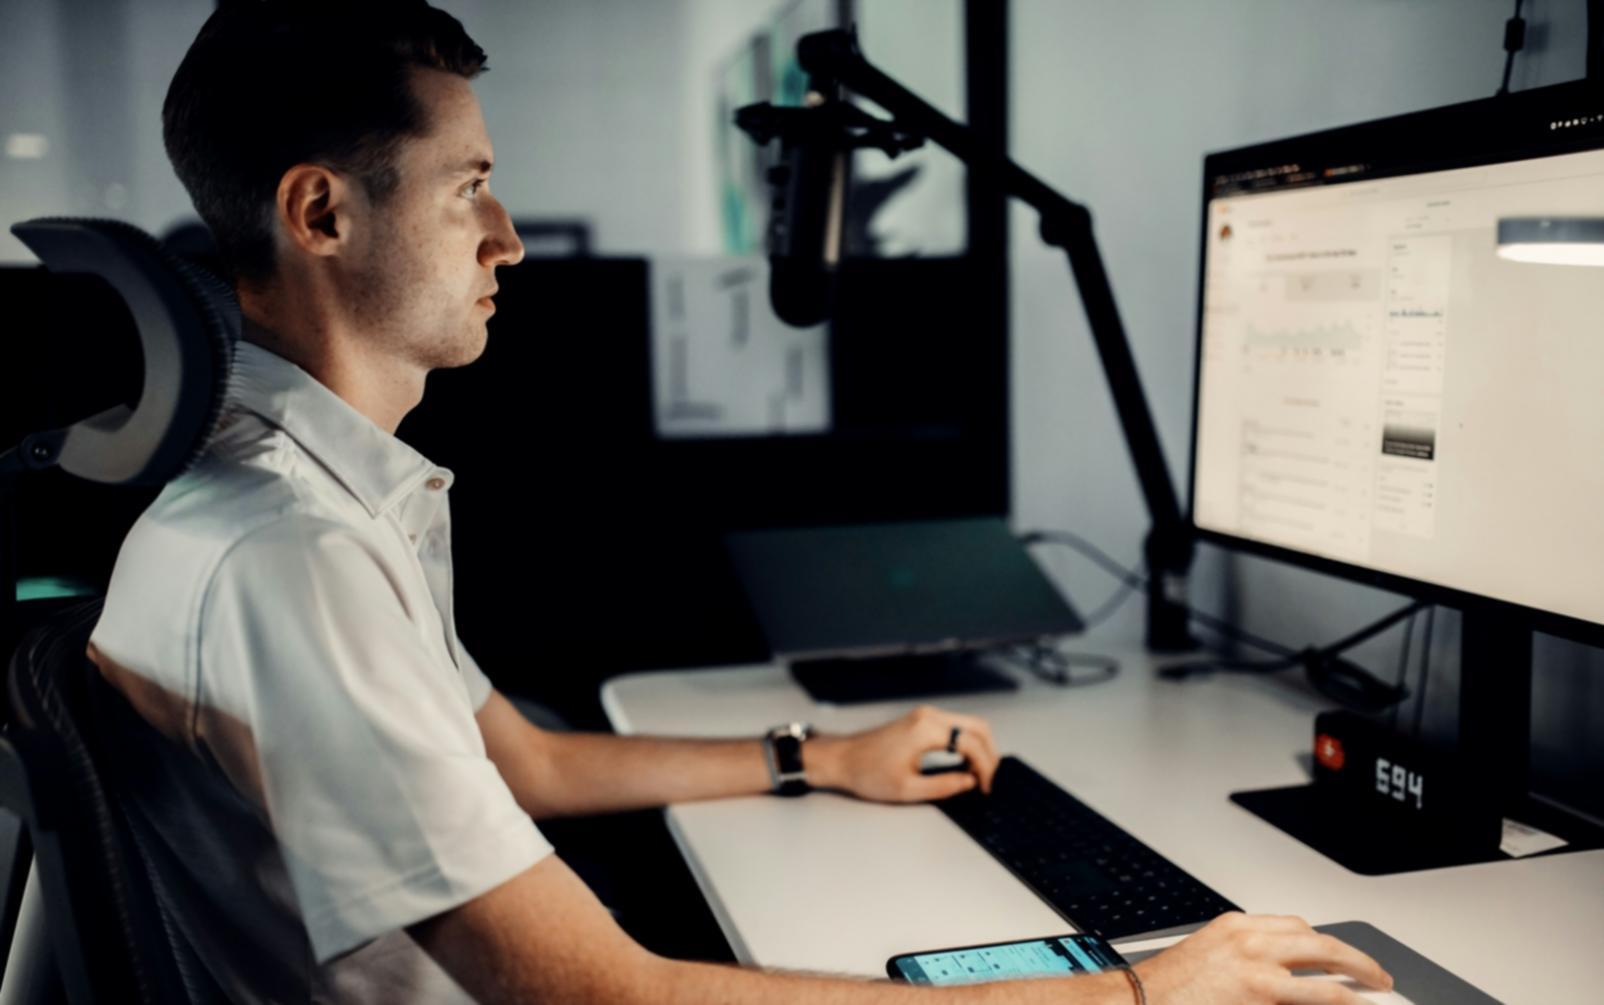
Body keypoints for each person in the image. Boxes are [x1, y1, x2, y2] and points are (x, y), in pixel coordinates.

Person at [85, 2, 1394, 1002]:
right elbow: (601, 991)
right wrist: (1137, 987)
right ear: (319, 212)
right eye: (468, 185)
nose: (511, 240)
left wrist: (819, 757)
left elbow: (522, 763)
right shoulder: (291, 551)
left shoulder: (306, 491)